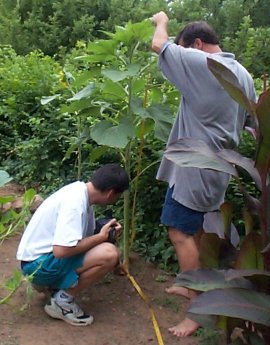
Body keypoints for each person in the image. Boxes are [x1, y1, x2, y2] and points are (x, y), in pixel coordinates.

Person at [151, 12, 256, 337]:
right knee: (197, 232)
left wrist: (162, 21)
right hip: (218, 168)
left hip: (194, 169)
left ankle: (197, 310)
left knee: (179, 233)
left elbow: (159, 45)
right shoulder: (243, 75)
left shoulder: (202, 64)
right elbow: (250, 123)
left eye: (187, 49)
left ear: (196, 44)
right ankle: (193, 286)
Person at [17, 163, 129, 326]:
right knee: (109, 253)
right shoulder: (75, 204)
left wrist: (104, 234)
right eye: (117, 196)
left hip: (36, 259)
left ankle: (51, 284)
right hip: (37, 266)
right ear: (111, 193)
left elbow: (81, 235)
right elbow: (61, 251)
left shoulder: (80, 192)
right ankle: (62, 303)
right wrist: (101, 238)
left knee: (106, 249)